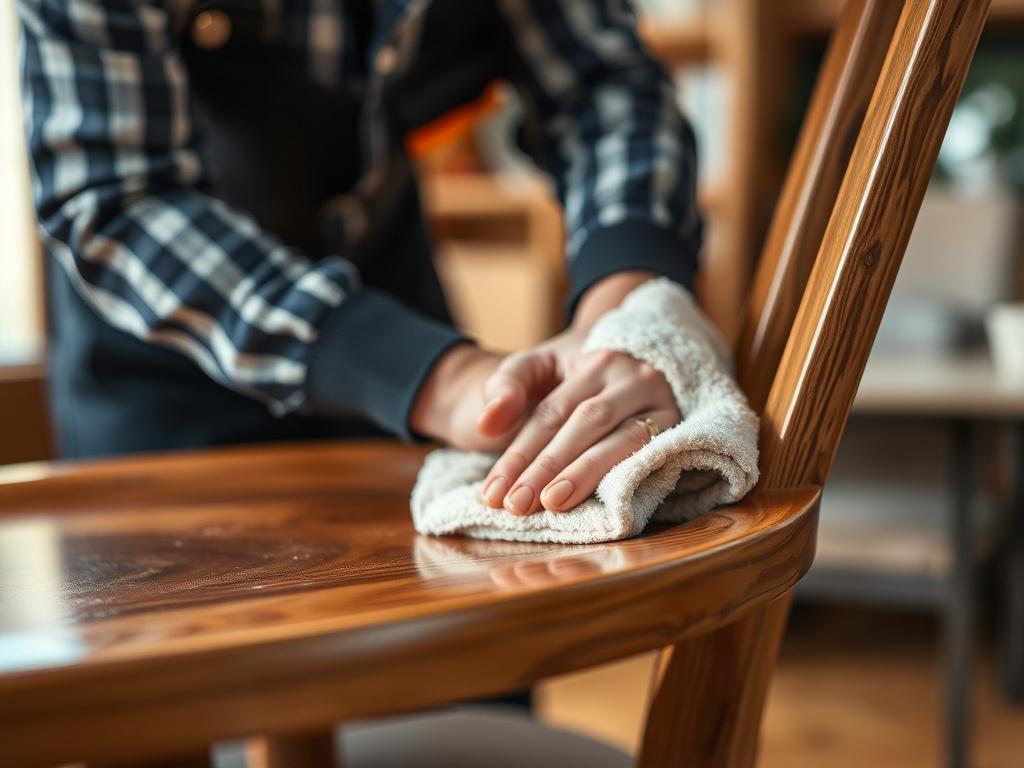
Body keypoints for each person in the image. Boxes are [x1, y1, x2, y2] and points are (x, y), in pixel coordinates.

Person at [19, 0, 702, 518]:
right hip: (164, 353)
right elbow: (118, 197)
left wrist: (625, 314)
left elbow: (604, 86)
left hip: (391, 283)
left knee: (469, 666)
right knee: (199, 688)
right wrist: (443, 379)